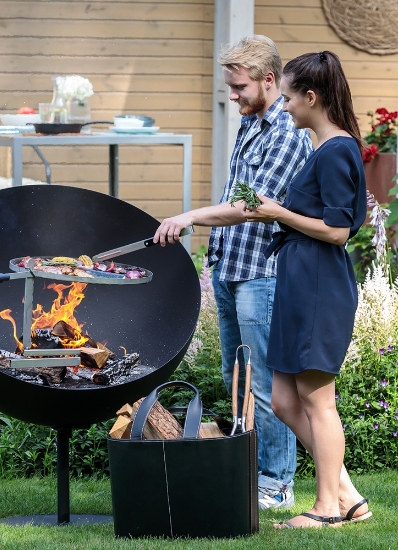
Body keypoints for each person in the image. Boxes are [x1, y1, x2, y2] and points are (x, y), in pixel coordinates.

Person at [154, 35, 312, 509]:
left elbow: (249, 206)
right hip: (231, 266)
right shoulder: (250, 122)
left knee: (264, 384)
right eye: (230, 87)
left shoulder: (286, 131)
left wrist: (189, 217)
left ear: (269, 80)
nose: (234, 96)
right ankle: (250, 474)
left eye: (240, 87)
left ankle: (277, 485)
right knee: (236, 377)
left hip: (263, 273)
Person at [242, 51, 371, 528]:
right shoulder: (322, 148)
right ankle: (348, 496)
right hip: (299, 278)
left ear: (311, 97)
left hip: (319, 281)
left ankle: (326, 509)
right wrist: (274, 209)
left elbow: (338, 231)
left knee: (318, 401)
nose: (286, 106)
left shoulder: (338, 150)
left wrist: (278, 212)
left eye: (291, 97)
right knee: (283, 400)